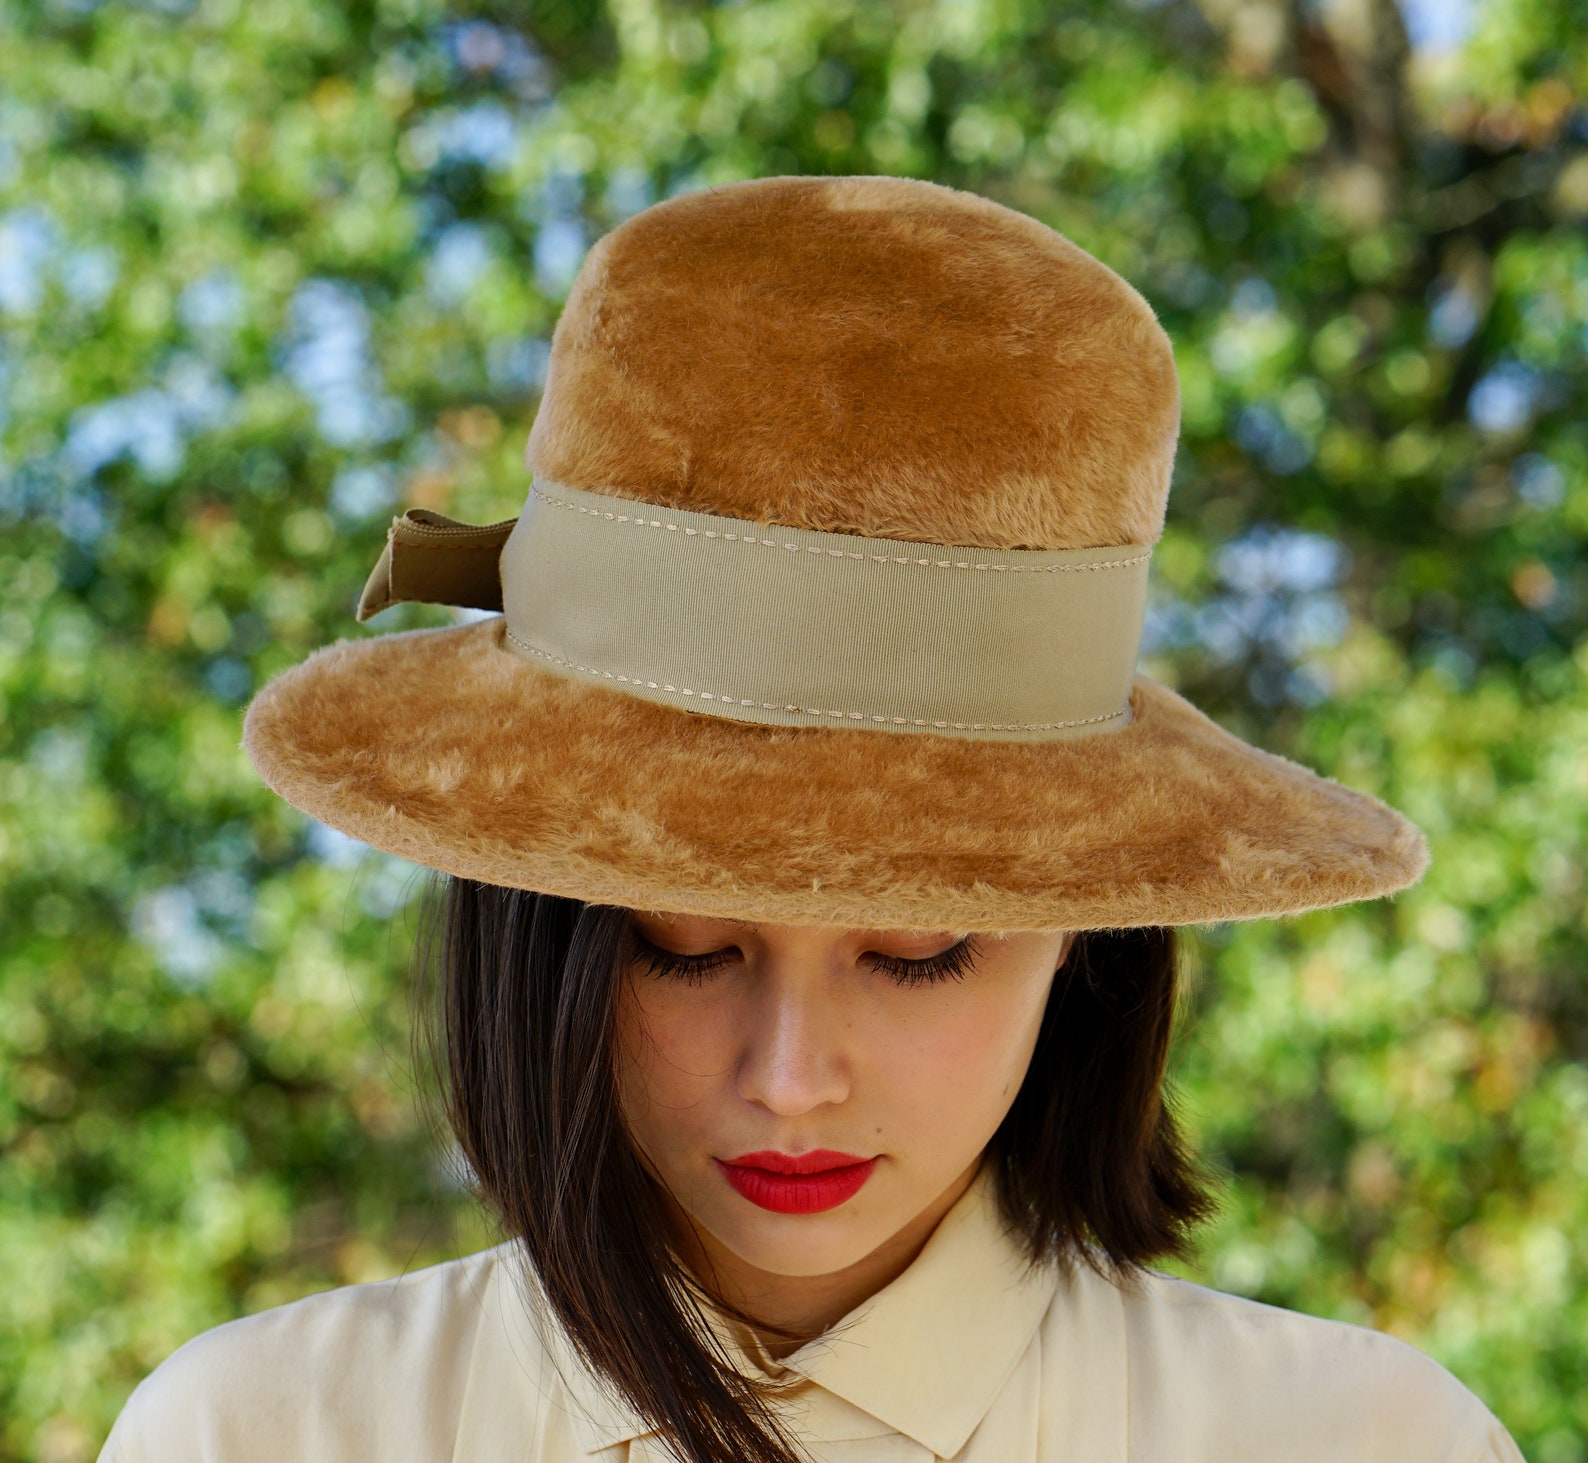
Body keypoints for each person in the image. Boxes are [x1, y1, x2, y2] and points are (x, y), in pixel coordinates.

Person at [97, 174, 1525, 1462]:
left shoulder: (1360, 1440)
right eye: (684, 946)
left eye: (915, 955)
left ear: (1087, 934)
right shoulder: (261, 1436)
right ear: (534, 918)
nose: (791, 1080)